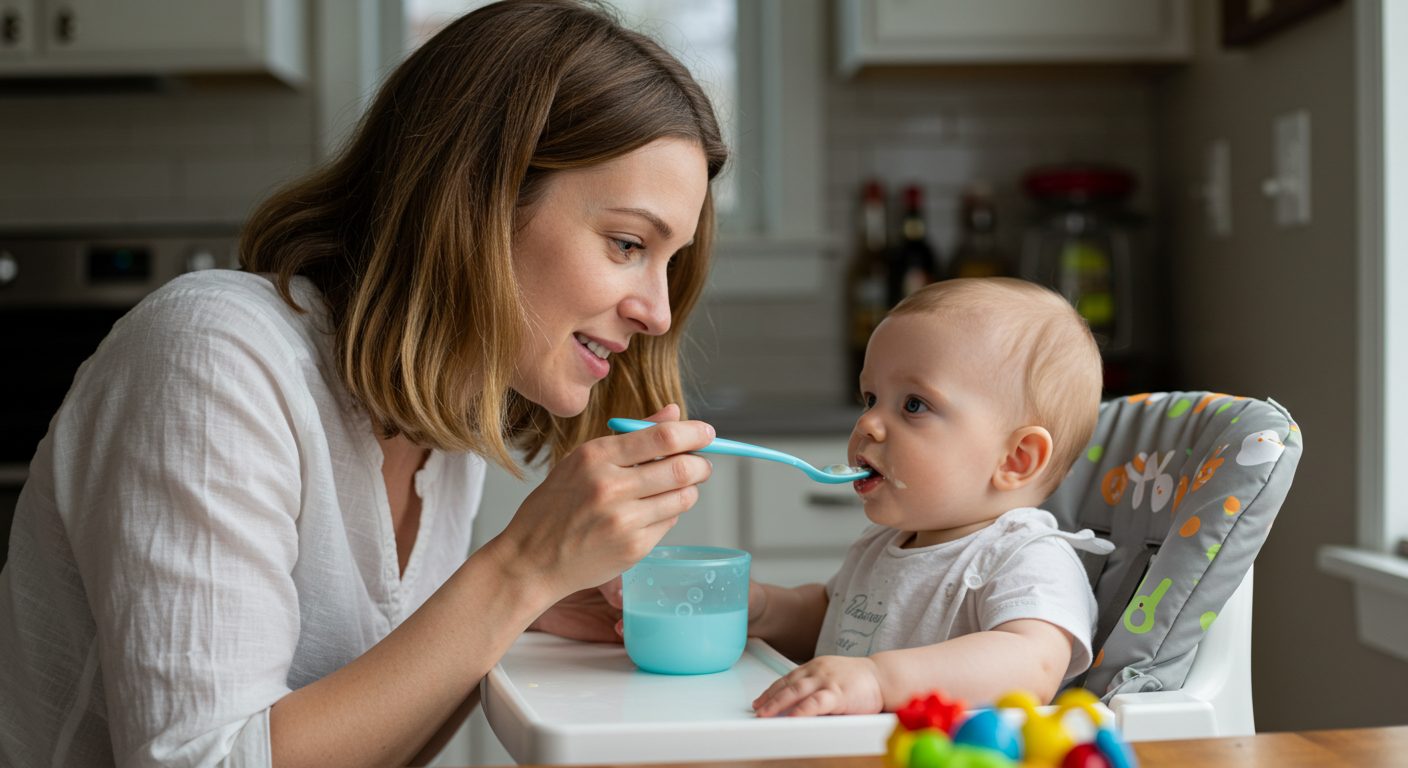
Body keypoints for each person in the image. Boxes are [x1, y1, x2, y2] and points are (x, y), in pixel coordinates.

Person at [0, 1, 728, 766]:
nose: (658, 311)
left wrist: (527, 605)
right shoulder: (213, 356)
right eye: (626, 243)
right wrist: (518, 572)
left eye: (671, 261)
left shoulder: (444, 429)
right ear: (478, 200)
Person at [748, 277, 1115, 717]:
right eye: (871, 398)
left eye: (914, 405)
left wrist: (879, 680)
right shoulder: (884, 543)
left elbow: (1030, 663)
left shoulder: (1024, 556)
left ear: (1016, 458)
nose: (868, 424)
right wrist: (765, 609)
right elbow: (833, 617)